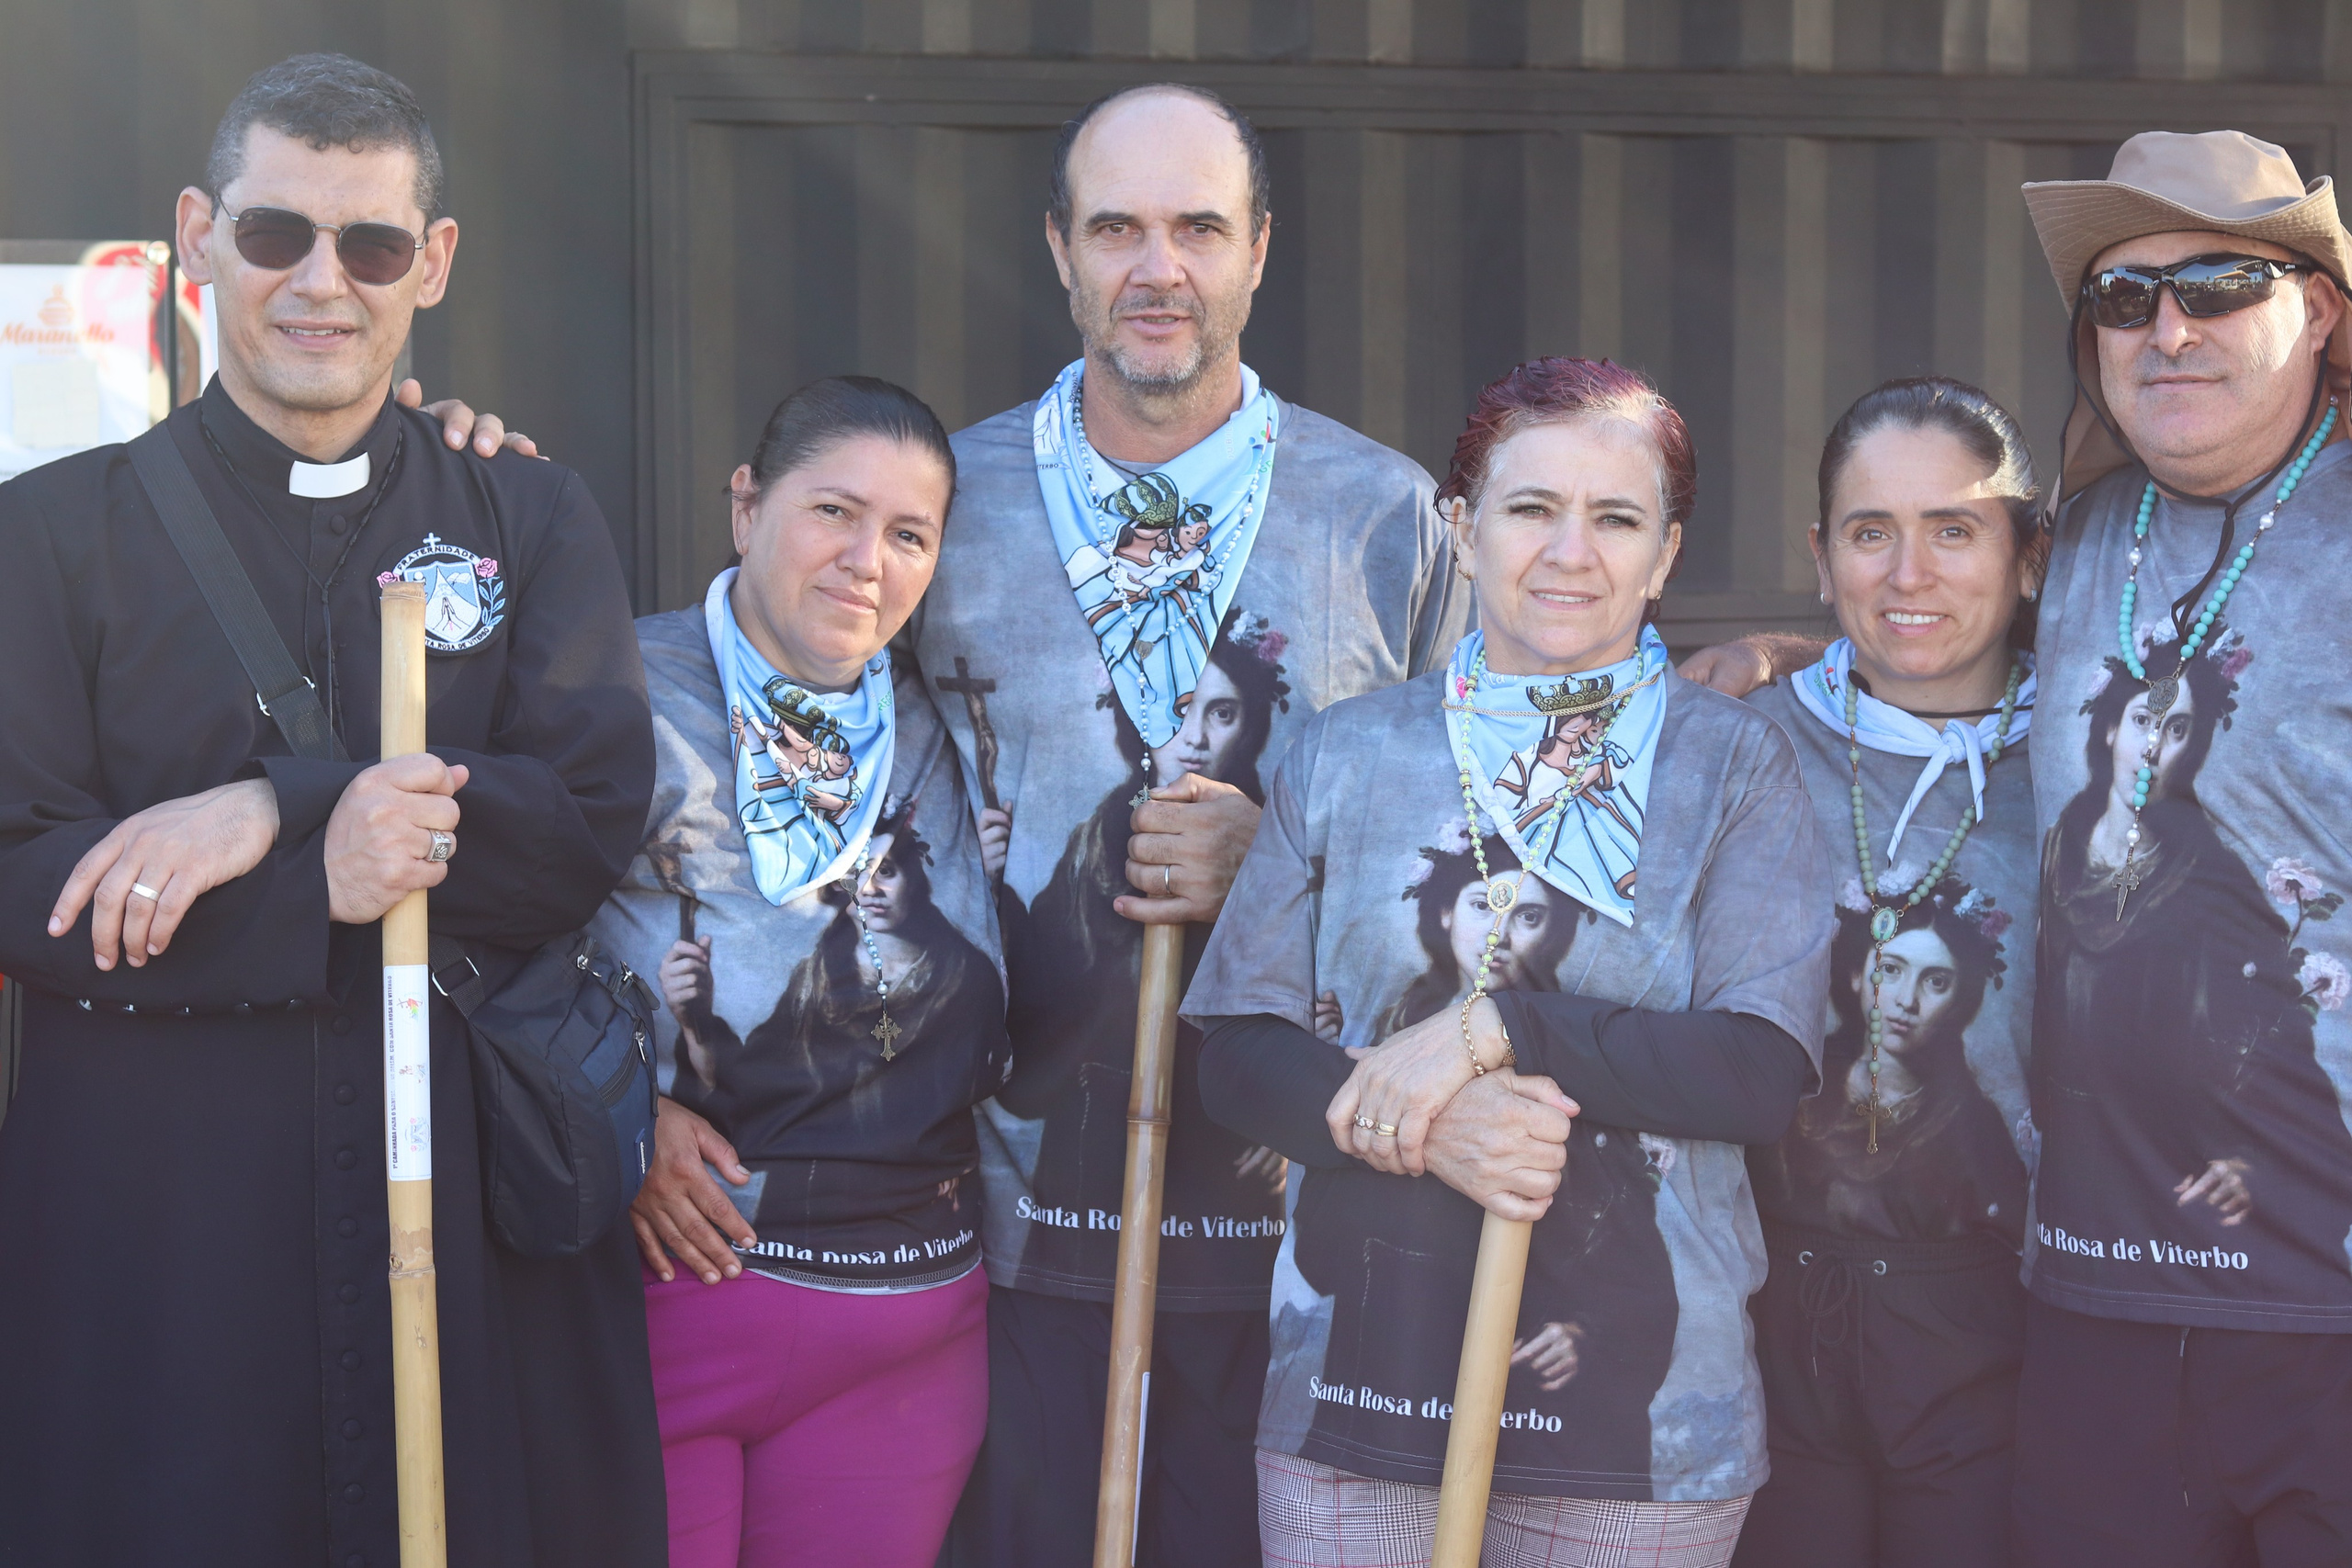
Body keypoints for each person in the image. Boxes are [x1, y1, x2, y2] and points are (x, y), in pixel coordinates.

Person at [0, 54, 662, 1568]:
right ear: (198, 234)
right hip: (164, 1237)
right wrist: (318, 882)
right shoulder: (47, 533)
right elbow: (16, 872)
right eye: (274, 233)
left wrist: (273, 804)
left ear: (433, 261)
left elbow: (584, 823)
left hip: (470, 1222)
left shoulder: (526, 512)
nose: (320, 282)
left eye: (369, 244)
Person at [1687, 130, 2352, 1566]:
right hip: (2092, 1313)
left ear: (2319, 309)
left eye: (2219, 286)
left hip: (2323, 1306)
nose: (2169, 328)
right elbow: (1922, 624)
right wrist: (1784, 661)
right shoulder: (2097, 529)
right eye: (2124, 297)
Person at [901, 84, 1467, 1566]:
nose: (1159, 268)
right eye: (1118, 229)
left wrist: (1275, 866)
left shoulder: (1386, 518)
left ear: (1260, 250)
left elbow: (1484, 848)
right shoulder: (941, 509)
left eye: (1199, 229)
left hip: (1302, 1232)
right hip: (1002, 1215)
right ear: (1059, 250)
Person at [1191, 356, 1830, 1566]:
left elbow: (1756, 1073)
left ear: (1666, 555)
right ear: (1459, 527)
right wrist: (1437, 1129)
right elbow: (1237, 1056)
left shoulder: (1735, 764)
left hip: (1639, 1429)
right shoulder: (1345, 753)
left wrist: (1506, 1030)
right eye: (1531, 507)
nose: (1570, 552)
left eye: (1617, 519)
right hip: (1356, 1397)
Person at [588, 378, 1010, 1568]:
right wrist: (614, 1106)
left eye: (909, 534)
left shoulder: (950, 728)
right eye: (834, 511)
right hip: (661, 1308)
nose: (867, 560)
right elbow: (490, 946)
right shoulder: (615, 695)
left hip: (905, 1334)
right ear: (746, 506)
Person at [1731, 378, 2045, 1568]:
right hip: (1763, 1318)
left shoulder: (2093, 758)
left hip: (2003, 1328)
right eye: (1873, 532)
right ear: (1822, 559)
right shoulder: (1742, 746)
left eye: (1954, 529)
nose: (1910, 573)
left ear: (2027, 556)